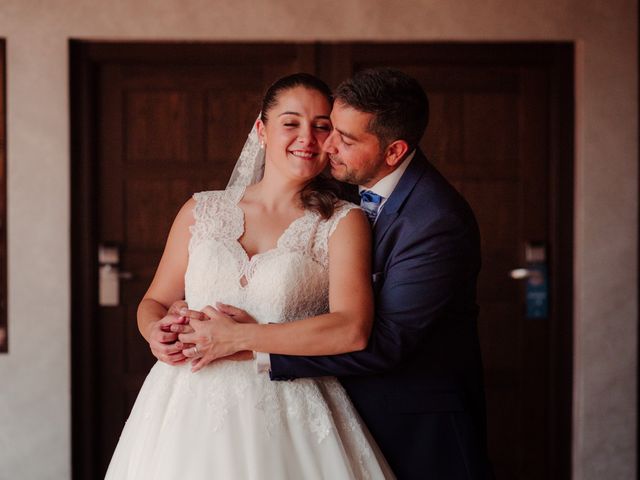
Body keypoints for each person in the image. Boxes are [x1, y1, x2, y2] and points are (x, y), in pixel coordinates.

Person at [183, 69, 493, 479]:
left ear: (394, 151)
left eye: (343, 138)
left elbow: (384, 342)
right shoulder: (342, 188)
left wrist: (243, 340)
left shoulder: (435, 221)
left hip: (413, 427)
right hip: (323, 415)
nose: (325, 145)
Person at [105, 73, 395, 479]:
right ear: (262, 129)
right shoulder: (200, 211)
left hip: (287, 406)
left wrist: (239, 337)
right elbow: (153, 301)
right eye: (290, 123)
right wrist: (156, 331)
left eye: (322, 126)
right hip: (185, 404)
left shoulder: (341, 223)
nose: (307, 138)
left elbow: (351, 328)